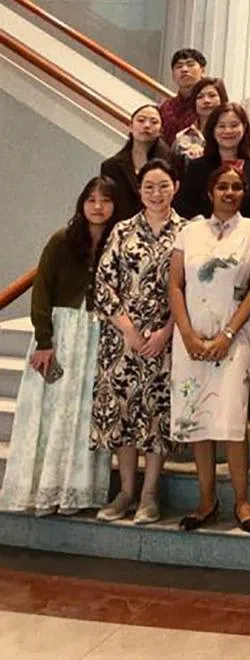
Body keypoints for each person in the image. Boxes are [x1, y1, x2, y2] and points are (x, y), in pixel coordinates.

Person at [0, 178, 119, 515]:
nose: (98, 207)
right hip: (63, 333)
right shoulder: (62, 240)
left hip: (98, 335)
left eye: (106, 200)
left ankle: (77, 491)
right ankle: (41, 489)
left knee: (84, 414)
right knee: (51, 412)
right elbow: (42, 292)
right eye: (91, 200)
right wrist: (44, 340)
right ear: (82, 204)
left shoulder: (118, 242)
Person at [168, 166, 250, 533]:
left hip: (235, 336)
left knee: (231, 419)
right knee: (198, 420)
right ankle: (206, 499)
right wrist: (187, 334)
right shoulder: (188, 232)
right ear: (210, 192)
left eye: (236, 187)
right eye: (222, 186)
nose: (230, 192)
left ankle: (242, 501)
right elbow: (176, 286)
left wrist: (227, 334)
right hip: (191, 338)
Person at [90, 159, 185, 524]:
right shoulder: (122, 231)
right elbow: (104, 283)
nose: (156, 193)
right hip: (122, 339)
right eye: (149, 187)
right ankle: (126, 490)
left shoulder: (188, 231)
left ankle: (149, 495)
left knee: (156, 415)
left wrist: (165, 332)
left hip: (167, 338)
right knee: (123, 412)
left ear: (175, 186)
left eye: (163, 185)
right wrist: (128, 329)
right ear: (139, 191)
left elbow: (194, 289)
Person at [176, 102, 250, 223]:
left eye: (234, 125)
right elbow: (184, 207)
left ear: (245, 127)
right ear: (213, 130)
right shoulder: (196, 168)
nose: (228, 131)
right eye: (221, 126)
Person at [100, 104, 177, 218]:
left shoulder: (175, 161)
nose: (146, 125)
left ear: (161, 130)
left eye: (154, 122)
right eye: (141, 120)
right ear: (130, 126)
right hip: (122, 229)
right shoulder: (111, 166)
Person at [159, 47, 208, 144]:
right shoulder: (166, 107)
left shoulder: (210, 103)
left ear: (202, 71)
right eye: (179, 66)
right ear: (173, 75)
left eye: (190, 64)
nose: (184, 69)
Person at [173, 77, 228, 161]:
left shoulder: (231, 133)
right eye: (200, 97)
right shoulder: (183, 137)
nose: (206, 101)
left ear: (222, 99)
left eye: (212, 95)